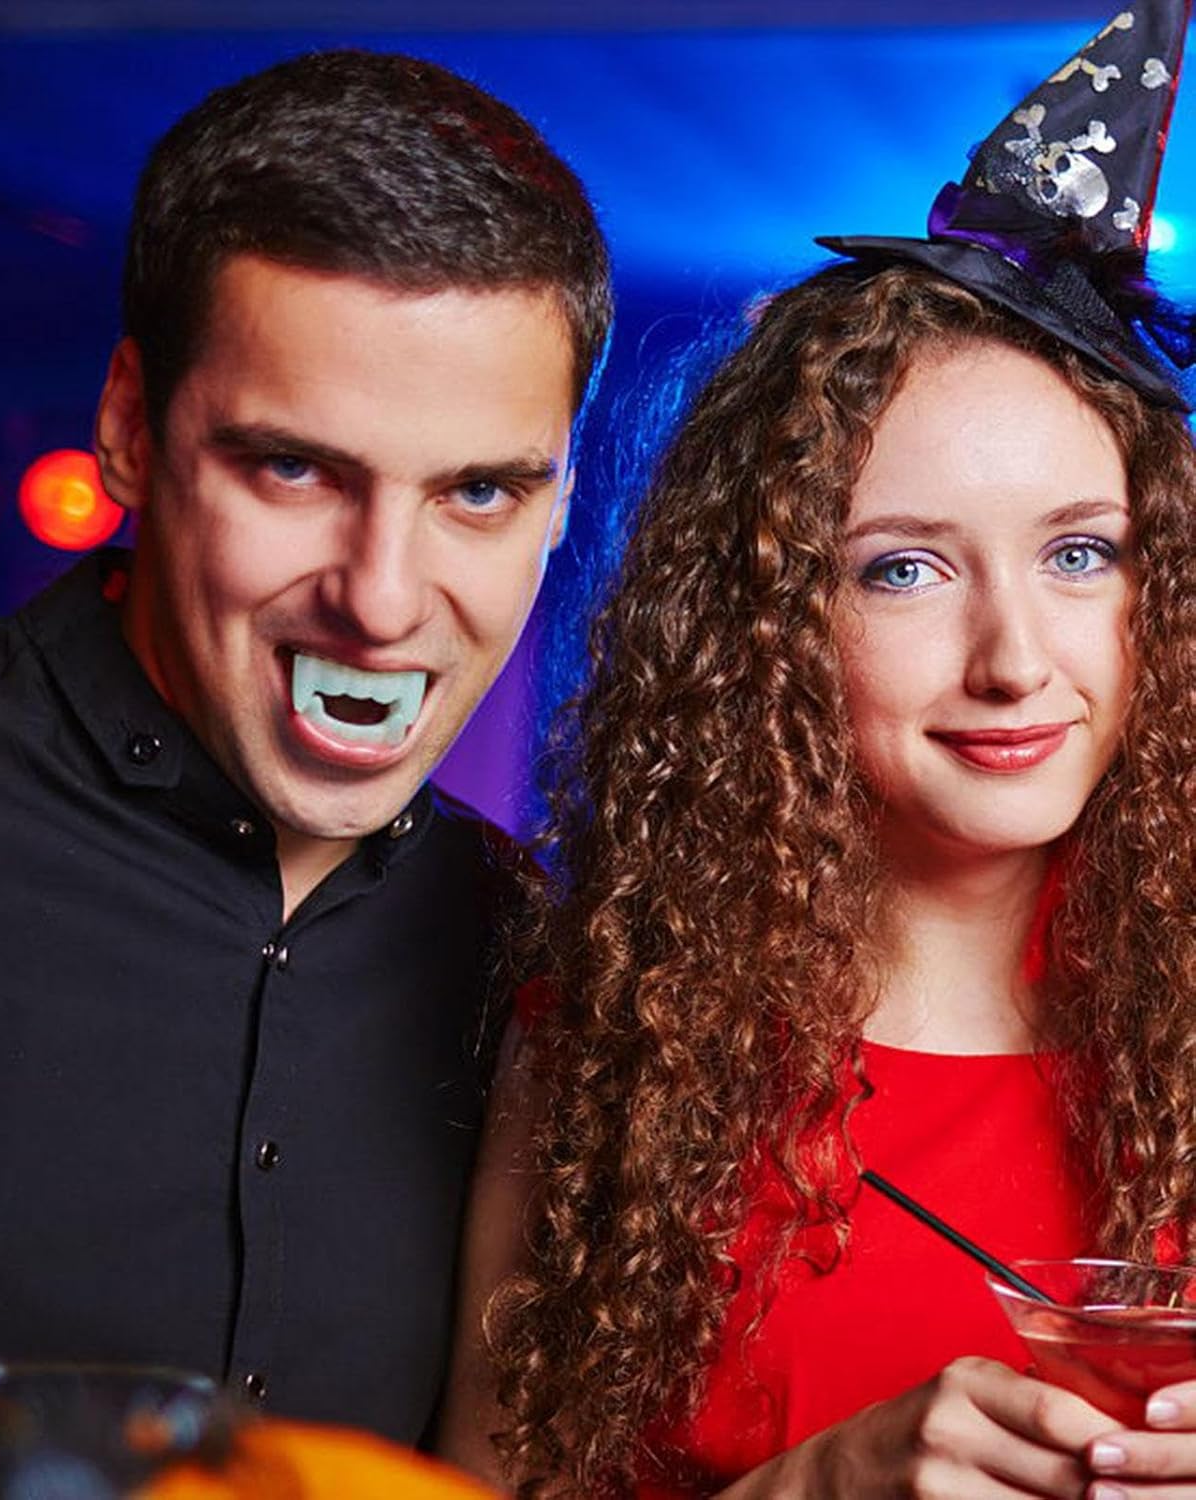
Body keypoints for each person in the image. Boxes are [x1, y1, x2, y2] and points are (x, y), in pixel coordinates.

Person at [0, 49, 612, 1492]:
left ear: (558, 502)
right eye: (293, 469)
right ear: (129, 428)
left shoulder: (536, 961)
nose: (381, 600)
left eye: (479, 492)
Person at [441, 2, 1196, 1495]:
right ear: (772, 624)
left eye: (1081, 554)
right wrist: (811, 1486)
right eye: (904, 568)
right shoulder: (617, 1042)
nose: (1015, 660)